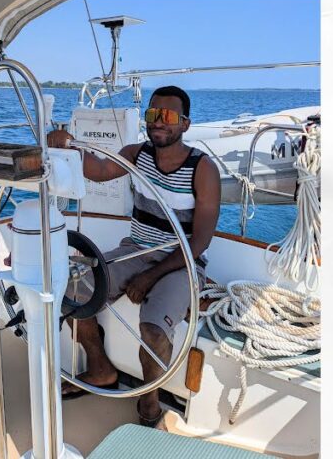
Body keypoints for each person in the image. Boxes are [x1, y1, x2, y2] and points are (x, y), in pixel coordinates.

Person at [47, 85, 220, 429]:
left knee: (153, 329)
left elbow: (198, 242)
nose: (158, 122)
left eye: (168, 116)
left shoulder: (203, 169)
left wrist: (150, 277)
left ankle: (149, 400)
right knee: (75, 293)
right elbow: (96, 170)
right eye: (153, 114)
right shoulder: (137, 154)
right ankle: (101, 369)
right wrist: (67, 147)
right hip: (136, 249)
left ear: (185, 124)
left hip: (181, 262)